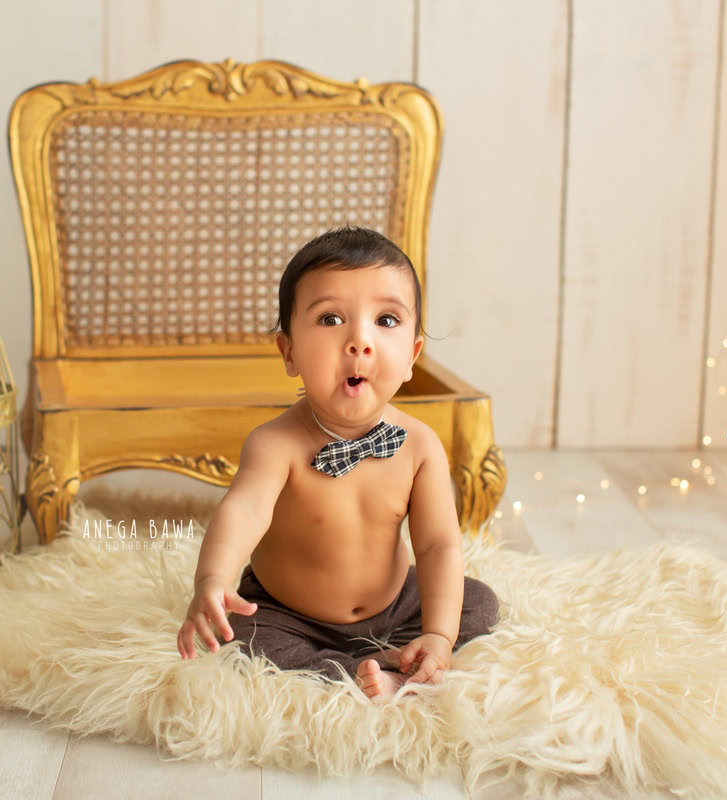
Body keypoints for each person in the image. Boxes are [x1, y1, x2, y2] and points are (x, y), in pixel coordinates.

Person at [176, 225, 501, 702]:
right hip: (288, 611)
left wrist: (438, 635)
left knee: (477, 602)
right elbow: (243, 513)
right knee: (244, 639)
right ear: (288, 352)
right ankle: (356, 670)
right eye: (330, 319)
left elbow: (436, 547)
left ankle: (412, 652)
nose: (359, 341)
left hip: (393, 604)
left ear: (412, 356)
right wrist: (213, 581)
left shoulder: (419, 446)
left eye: (386, 320)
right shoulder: (275, 444)